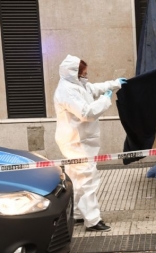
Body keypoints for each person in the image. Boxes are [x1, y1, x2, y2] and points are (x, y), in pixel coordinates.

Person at [53, 54, 127, 232]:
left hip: (79, 141)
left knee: (78, 179)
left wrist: (114, 83)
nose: (86, 76)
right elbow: (86, 113)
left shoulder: (76, 85)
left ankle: (79, 214)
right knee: (87, 180)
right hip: (77, 142)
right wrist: (105, 100)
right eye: (83, 73)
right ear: (74, 73)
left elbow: (91, 89)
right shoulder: (67, 91)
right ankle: (93, 221)